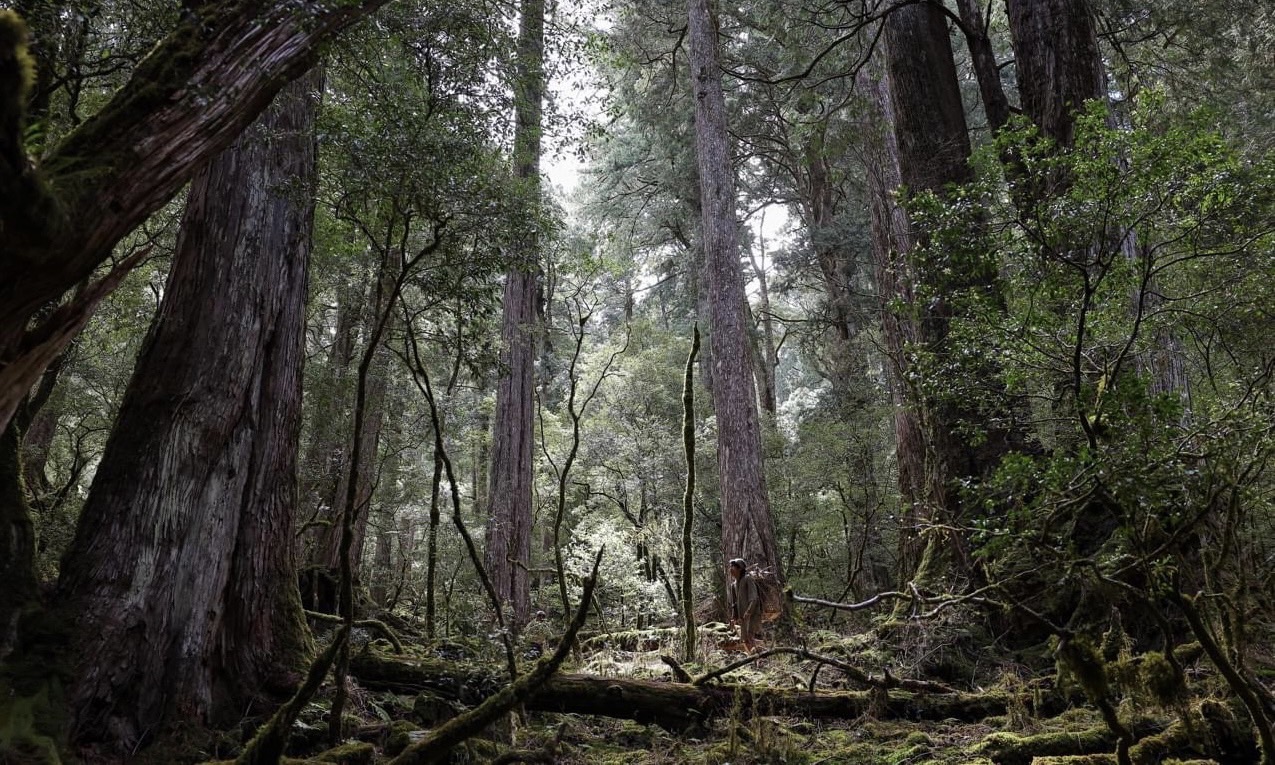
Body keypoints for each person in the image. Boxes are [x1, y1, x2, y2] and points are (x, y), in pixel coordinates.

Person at [726, 557, 760, 652]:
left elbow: (754, 598)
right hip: (743, 619)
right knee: (745, 639)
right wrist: (734, 617)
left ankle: (758, 658)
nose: (731, 569)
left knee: (750, 637)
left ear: (740, 568)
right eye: (730, 566)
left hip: (752, 615)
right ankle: (753, 658)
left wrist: (748, 612)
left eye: (733, 567)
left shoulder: (748, 579)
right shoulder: (734, 585)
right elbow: (734, 604)